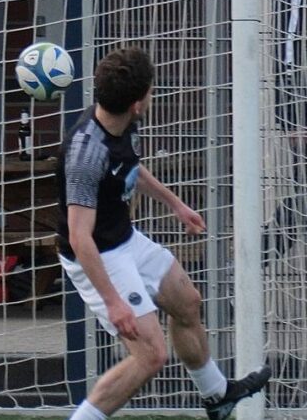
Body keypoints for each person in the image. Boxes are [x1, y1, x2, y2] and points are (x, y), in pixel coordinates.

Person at [56, 47, 271, 420]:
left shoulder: (121, 122)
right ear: (138, 103)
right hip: (97, 255)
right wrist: (114, 302)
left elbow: (129, 168)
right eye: (151, 91)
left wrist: (176, 204)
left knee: (186, 301)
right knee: (151, 355)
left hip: (123, 239)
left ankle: (217, 395)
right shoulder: (85, 154)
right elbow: (79, 237)